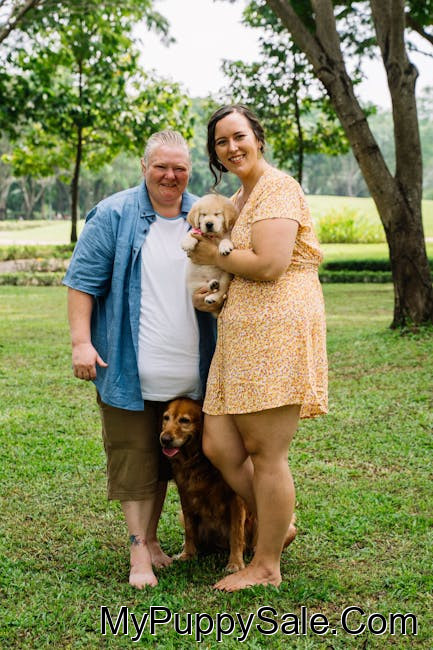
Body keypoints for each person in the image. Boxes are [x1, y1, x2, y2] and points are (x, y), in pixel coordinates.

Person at [63, 130, 217, 589]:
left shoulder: (204, 215)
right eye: (161, 166)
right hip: (129, 371)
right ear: (144, 167)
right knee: (134, 461)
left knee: (166, 462)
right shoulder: (113, 214)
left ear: (190, 170)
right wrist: (80, 342)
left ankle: (151, 540)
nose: (170, 176)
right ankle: (138, 555)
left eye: (179, 167)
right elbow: (81, 282)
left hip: (192, 377)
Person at [189, 104, 328, 591]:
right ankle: (277, 524)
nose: (232, 147)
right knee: (219, 443)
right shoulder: (235, 200)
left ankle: (266, 565)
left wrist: (211, 253)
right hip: (239, 334)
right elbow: (235, 268)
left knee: (266, 451)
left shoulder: (277, 188)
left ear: (258, 139)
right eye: (221, 142)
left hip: (277, 330)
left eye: (239, 136)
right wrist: (213, 295)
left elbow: (270, 264)